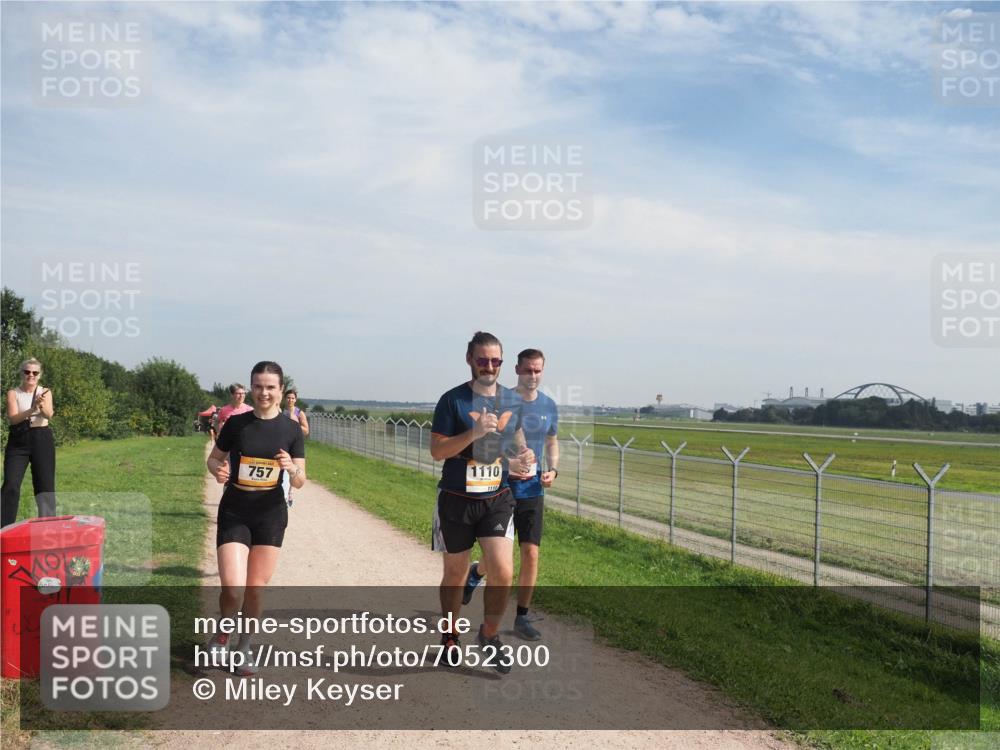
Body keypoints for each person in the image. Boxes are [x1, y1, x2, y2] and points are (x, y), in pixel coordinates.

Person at [429, 331, 534, 674]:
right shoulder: (452, 401)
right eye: (482, 360)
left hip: (497, 498)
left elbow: (515, 441)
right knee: (455, 575)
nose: (489, 366)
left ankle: (488, 636)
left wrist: (522, 457)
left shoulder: (511, 401)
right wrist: (473, 434)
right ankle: (449, 636)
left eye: (496, 361)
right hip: (456, 500)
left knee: (503, 571)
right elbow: (437, 451)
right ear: (469, 360)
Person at [205, 362, 306, 676]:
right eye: (259, 386)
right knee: (233, 589)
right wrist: (217, 470)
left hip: (270, 514)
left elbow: (301, 479)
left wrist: (291, 469)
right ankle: (221, 636)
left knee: (255, 589)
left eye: (270, 387)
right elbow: (214, 459)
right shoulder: (237, 424)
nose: (264, 392)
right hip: (236, 510)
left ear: (280, 390)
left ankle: (244, 647)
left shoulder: (291, 430)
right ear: (251, 388)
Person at [463, 349, 559, 640]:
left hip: (532, 490)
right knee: (499, 561)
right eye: (528, 370)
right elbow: (484, 444)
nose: (533, 376)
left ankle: (522, 617)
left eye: (538, 371)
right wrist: (508, 465)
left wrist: (553, 470)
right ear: (516, 369)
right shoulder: (501, 401)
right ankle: (477, 572)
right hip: (501, 487)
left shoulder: (549, 405)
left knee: (531, 553)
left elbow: (552, 441)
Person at [2, 358, 56, 527]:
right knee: (10, 483)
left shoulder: (45, 392)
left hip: (42, 439)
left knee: (45, 485)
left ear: (39, 375)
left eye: (34, 373)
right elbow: (13, 418)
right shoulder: (13, 393)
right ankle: (3, 528)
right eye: (27, 372)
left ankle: (47, 528)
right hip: (18, 441)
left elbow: (49, 415)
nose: (30, 375)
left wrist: (41, 405)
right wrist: (33, 409)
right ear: (21, 373)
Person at [281, 388, 309, 507]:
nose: (290, 400)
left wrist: (295, 423)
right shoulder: (280, 411)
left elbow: (306, 430)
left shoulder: (299, 413)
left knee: (293, 466)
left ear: (295, 400)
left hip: (294, 443)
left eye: (292, 398)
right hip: (283, 442)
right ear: (284, 398)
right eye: (288, 397)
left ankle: (290, 492)